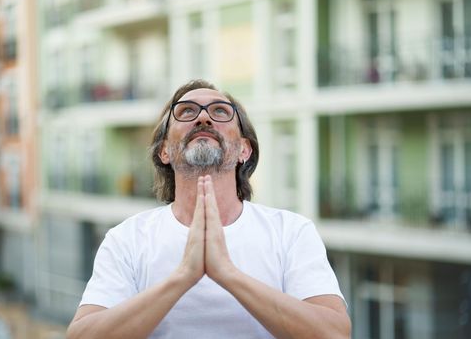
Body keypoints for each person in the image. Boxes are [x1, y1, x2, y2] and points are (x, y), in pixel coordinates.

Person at [67, 79, 351, 339]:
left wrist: (227, 273)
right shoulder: (127, 239)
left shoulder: (290, 232)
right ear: (164, 151)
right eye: (187, 112)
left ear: (244, 150)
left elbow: (335, 334)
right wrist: (183, 276)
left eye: (220, 111)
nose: (203, 117)